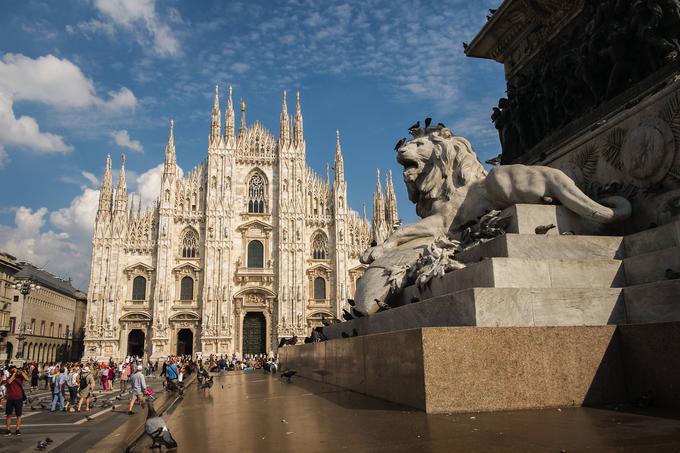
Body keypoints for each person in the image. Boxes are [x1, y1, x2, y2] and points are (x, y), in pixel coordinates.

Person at [4, 365, 29, 436]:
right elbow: (9, 382)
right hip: (10, 398)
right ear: (10, 371)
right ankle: (8, 429)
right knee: (9, 415)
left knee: (18, 415)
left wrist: (21, 372)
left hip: (19, 398)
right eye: (13, 370)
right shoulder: (9, 377)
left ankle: (17, 429)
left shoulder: (20, 377)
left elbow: (27, 379)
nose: (15, 370)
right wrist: (14, 374)